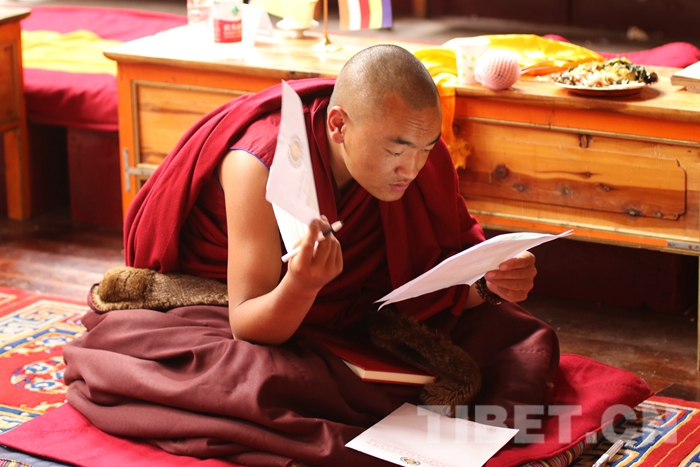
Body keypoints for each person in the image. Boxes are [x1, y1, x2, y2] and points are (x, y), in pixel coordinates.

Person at [64, 44, 559, 467]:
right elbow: (248, 324)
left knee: (514, 336)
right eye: (396, 151)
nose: (411, 169)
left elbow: (429, 277)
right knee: (257, 379)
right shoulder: (256, 164)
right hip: (224, 300)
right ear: (339, 125)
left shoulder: (414, 158)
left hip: (349, 309)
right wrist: (302, 285)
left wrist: (487, 286)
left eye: (426, 148)